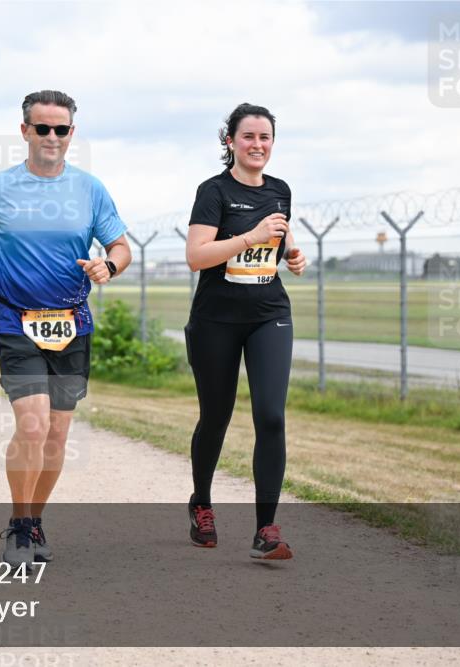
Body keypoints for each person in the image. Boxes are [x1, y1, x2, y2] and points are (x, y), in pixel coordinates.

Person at [0, 90, 131, 569]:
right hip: (15, 319)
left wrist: (108, 267)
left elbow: (120, 246)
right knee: (31, 425)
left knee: (56, 435)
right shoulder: (0, 187)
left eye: (62, 129)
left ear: (72, 133)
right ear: (25, 131)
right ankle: (16, 525)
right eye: (43, 128)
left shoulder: (90, 189)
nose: (52, 137)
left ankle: (34, 520)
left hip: (72, 321)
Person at [183, 103, 307, 561]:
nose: (258, 145)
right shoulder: (213, 191)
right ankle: (201, 503)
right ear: (230, 141)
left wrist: (292, 255)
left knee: (271, 416)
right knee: (216, 416)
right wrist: (251, 238)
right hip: (215, 320)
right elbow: (197, 256)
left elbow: (280, 239)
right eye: (249, 136)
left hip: (268, 313)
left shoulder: (280, 191)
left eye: (266, 137)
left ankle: (266, 529)